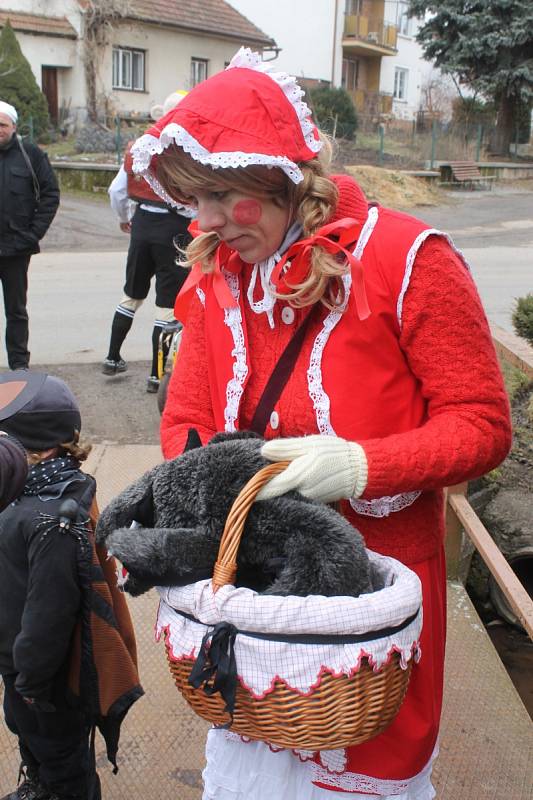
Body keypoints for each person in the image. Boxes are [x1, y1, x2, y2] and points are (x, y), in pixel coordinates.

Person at [130, 48, 512, 800]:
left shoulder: (407, 258)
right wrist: (209, 480)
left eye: (216, 193)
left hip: (374, 595)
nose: (202, 221)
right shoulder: (212, 275)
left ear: (278, 176)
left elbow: (480, 426)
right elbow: (187, 419)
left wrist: (360, 467)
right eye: (187, 198)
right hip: (258, 590)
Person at [0, 371, 143, 800]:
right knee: (31, 737)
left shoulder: (50, 520)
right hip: (22, 661)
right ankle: (41, 780)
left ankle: (60, 788)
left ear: (36, 452)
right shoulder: (34, 491)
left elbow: (49, 615)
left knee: (61, 753)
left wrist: (30, 681)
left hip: (47, 676)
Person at [102, 92, 193, 392]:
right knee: (166, 306)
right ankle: (156, 375)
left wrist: (124, 218)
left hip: (142, 223)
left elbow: (117, 191)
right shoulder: (187, 150)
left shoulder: (139, 147)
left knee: (132, 294)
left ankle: (112, 357)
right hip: (175, 228)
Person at [0, 101, 60, 370]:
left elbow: (50, 195)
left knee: (16, 312)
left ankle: (19, 367)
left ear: (13, 126)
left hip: (16, 249)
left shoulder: (31, 154)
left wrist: (33, 234)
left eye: (2, 125)